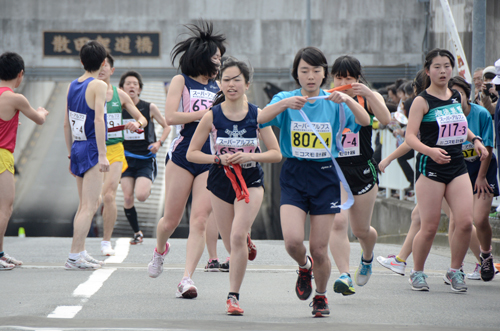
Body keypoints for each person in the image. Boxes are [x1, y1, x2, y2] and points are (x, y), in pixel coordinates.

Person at [258, 47, 370, 317]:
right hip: (294, 173)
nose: (310, 76)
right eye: (304, 71)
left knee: (320, 249)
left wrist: (348, 100)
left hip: (325, 175)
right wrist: (285, 104)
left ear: (324, 74)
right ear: (296, 74)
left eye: (316, 71)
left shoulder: (333, 101)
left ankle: (320, 296)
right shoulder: (285, 98)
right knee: (293, 241)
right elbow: (259, 118)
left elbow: (364, 121)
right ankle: (303, 266)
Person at [377, 75, 497, 283]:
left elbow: (481, 142)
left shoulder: (473, 112)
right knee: (423, 218)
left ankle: (480, 259)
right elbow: (412, 139)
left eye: (458, 94)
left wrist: (479, 166)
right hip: (441, 169)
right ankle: (407, 261)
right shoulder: (429, 107)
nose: (454, 97)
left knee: (468, 221)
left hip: (470, 171)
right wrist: (388, 159)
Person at [187, 57, 281, 315]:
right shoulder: (212, 116)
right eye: (226, 79)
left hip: (250, 180)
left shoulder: (257, 115)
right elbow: (192, 153)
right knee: (231, 243)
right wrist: (217, 158)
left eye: (236, 79)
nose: (231, 84)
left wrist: (250, 156)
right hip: (220, 179)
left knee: (237, 235)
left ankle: (233, 296)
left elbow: (276, 153)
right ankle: (244, 242)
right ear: (219, 83)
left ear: (247, 84)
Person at [147, 21, 225, 299]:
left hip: (208, 157)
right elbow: (170, 117)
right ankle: (160, 250)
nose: (219, 60)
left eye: (220, 57)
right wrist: (203, 116)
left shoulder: (220, 86)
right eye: (216, 56)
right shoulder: (182, 81)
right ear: (203, 56)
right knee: (170, 220)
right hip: (182, 155)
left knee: (200, 219)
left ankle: (186, 279)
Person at [405, 48, 488, 292]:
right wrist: (430, 151)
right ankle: (417, 272)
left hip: (457, 166)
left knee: (464, 222)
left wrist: (475, 140)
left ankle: (454, 271)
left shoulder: (455, 97)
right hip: (431, 167)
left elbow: (462, 127)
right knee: (429, 226)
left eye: (447, 66)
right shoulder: (421, 101)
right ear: (428, 70)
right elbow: (410, 137)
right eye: (437, 67)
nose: (442, 71)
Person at [63, 41, 139, 270]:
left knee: (84, 205)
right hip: (92, 148)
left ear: (81, 61)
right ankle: (74, 256)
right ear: (103, 62)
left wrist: (70, 154)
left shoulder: (72, 85)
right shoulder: (96, 85)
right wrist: (103, 154)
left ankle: (80, 251)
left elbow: (66, 124)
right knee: (90, 205)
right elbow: (98, 120)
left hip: (77, 147)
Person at [328, 55, 391, 295]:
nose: (343, 82)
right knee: (338, 221)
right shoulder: (327, 99)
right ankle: (345, 275)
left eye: (349, 77)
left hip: (363, 169)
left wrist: (368, 93)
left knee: (361, 230)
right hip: (335, 170)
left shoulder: (366, 98)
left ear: (357, 78)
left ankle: (367, 258)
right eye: (338, 77)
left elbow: (385, 120)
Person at [0, 52, 49, 270]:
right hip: (3, 156)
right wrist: (41, 111)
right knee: (5, 208)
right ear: (20, 75)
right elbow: (38, 120)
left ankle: (1, 253)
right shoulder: (16, 98)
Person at [97, 55, 147, 255]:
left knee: (109, 195)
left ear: (112, 70)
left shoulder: (119, 95)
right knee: (93, 200)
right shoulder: (85, 93)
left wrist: (138, 123)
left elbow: (142, 118)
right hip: (92, 150)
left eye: (105, 66)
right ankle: (78, 249)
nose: (101, 70)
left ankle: (106, 242)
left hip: (115, 150)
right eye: (98, 66)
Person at [118, 70, 170, 245]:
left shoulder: (149, 108)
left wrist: (159, 143)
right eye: (128, 84)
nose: (132, 86)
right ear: (121, 89)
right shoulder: (116, 109)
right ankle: (137, 232)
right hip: (125, 159)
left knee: (141, 196)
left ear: (140, 89)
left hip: (145, 159)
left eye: (135, 84)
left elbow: (167, 127)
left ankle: (147, 186)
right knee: (127, 197)